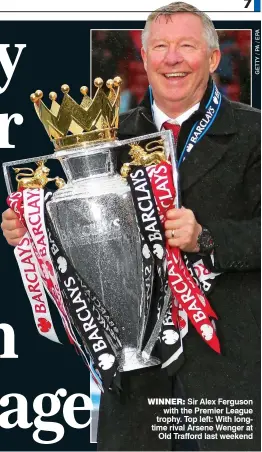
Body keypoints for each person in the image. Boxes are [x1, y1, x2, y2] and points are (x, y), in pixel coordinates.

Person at [1, 3, 260, 451]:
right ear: (144, 58)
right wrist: (31, 229)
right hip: (135, 377)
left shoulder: (256, 133)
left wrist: (207, 238)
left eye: (186, 46)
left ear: (214, 58)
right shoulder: (105, 142)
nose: (171, 58)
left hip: (228, 371)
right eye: (159, 47)